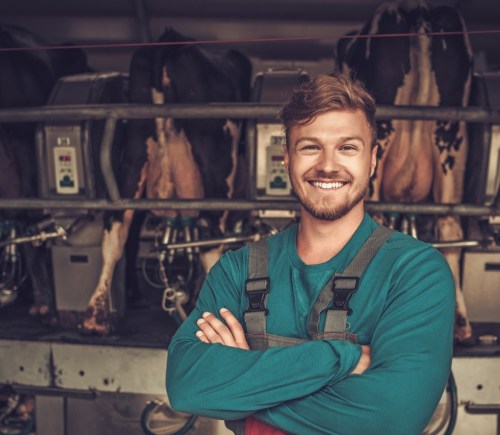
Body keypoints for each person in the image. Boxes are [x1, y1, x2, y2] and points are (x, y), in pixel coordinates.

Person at [166, 73, 455, 435]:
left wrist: (243, 388)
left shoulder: (414, 272)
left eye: (348, 147)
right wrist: (340, 358)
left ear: (373, 159)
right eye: (310, 147)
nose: (328, 165)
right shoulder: (236, 271)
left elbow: (391, 420)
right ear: (286, 159)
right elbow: (186, 387)